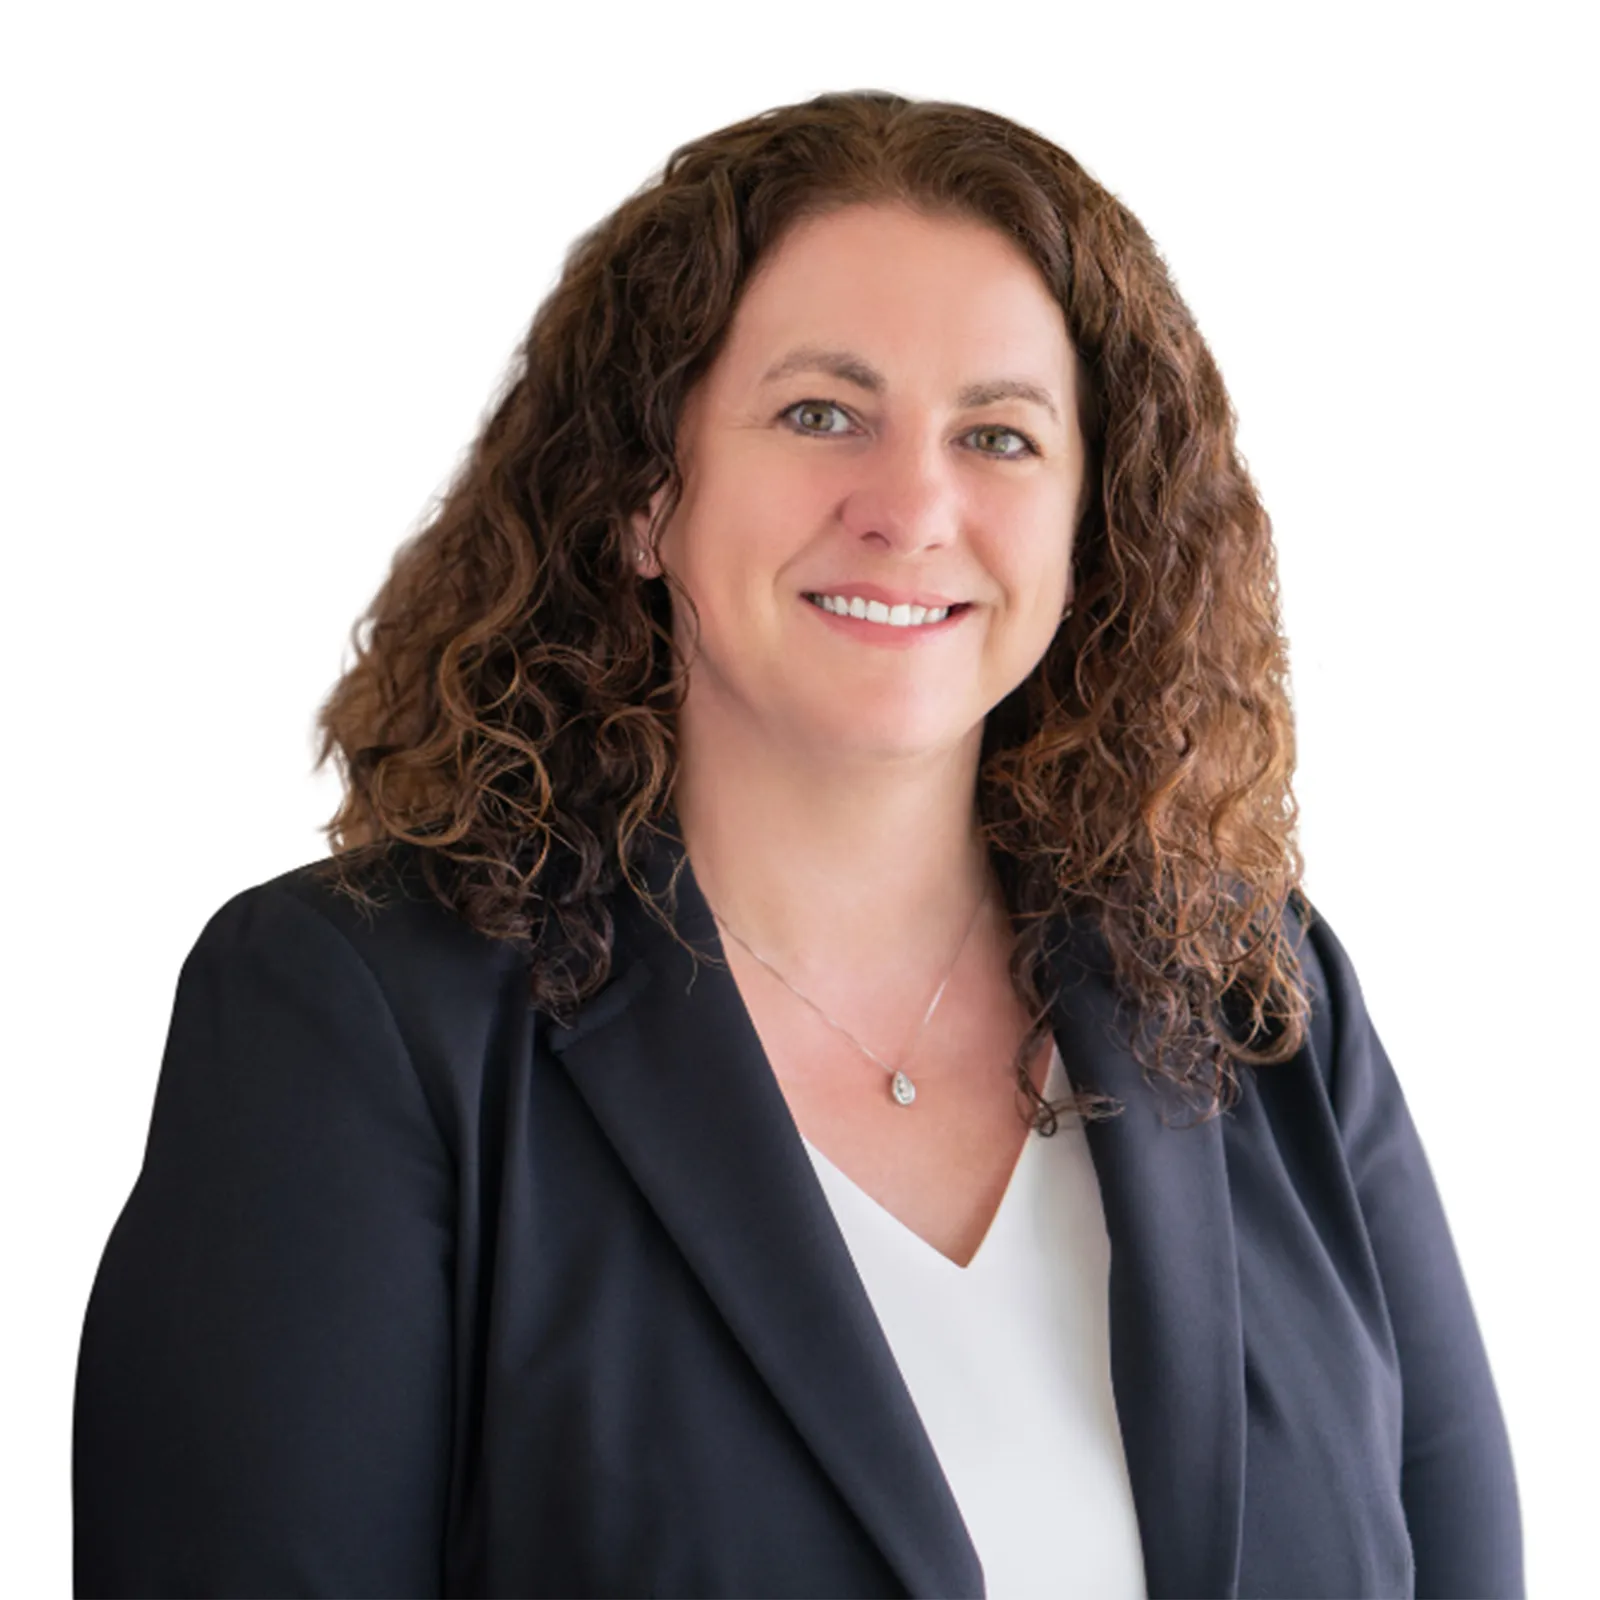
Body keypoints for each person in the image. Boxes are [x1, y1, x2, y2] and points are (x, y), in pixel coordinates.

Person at [72, 90, 1523, 1599]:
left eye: (1001, 434)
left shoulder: (1253, 988)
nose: (912, 504)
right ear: (644, 493)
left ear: (1094, 534)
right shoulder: (357, 1020)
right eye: (820, 412)